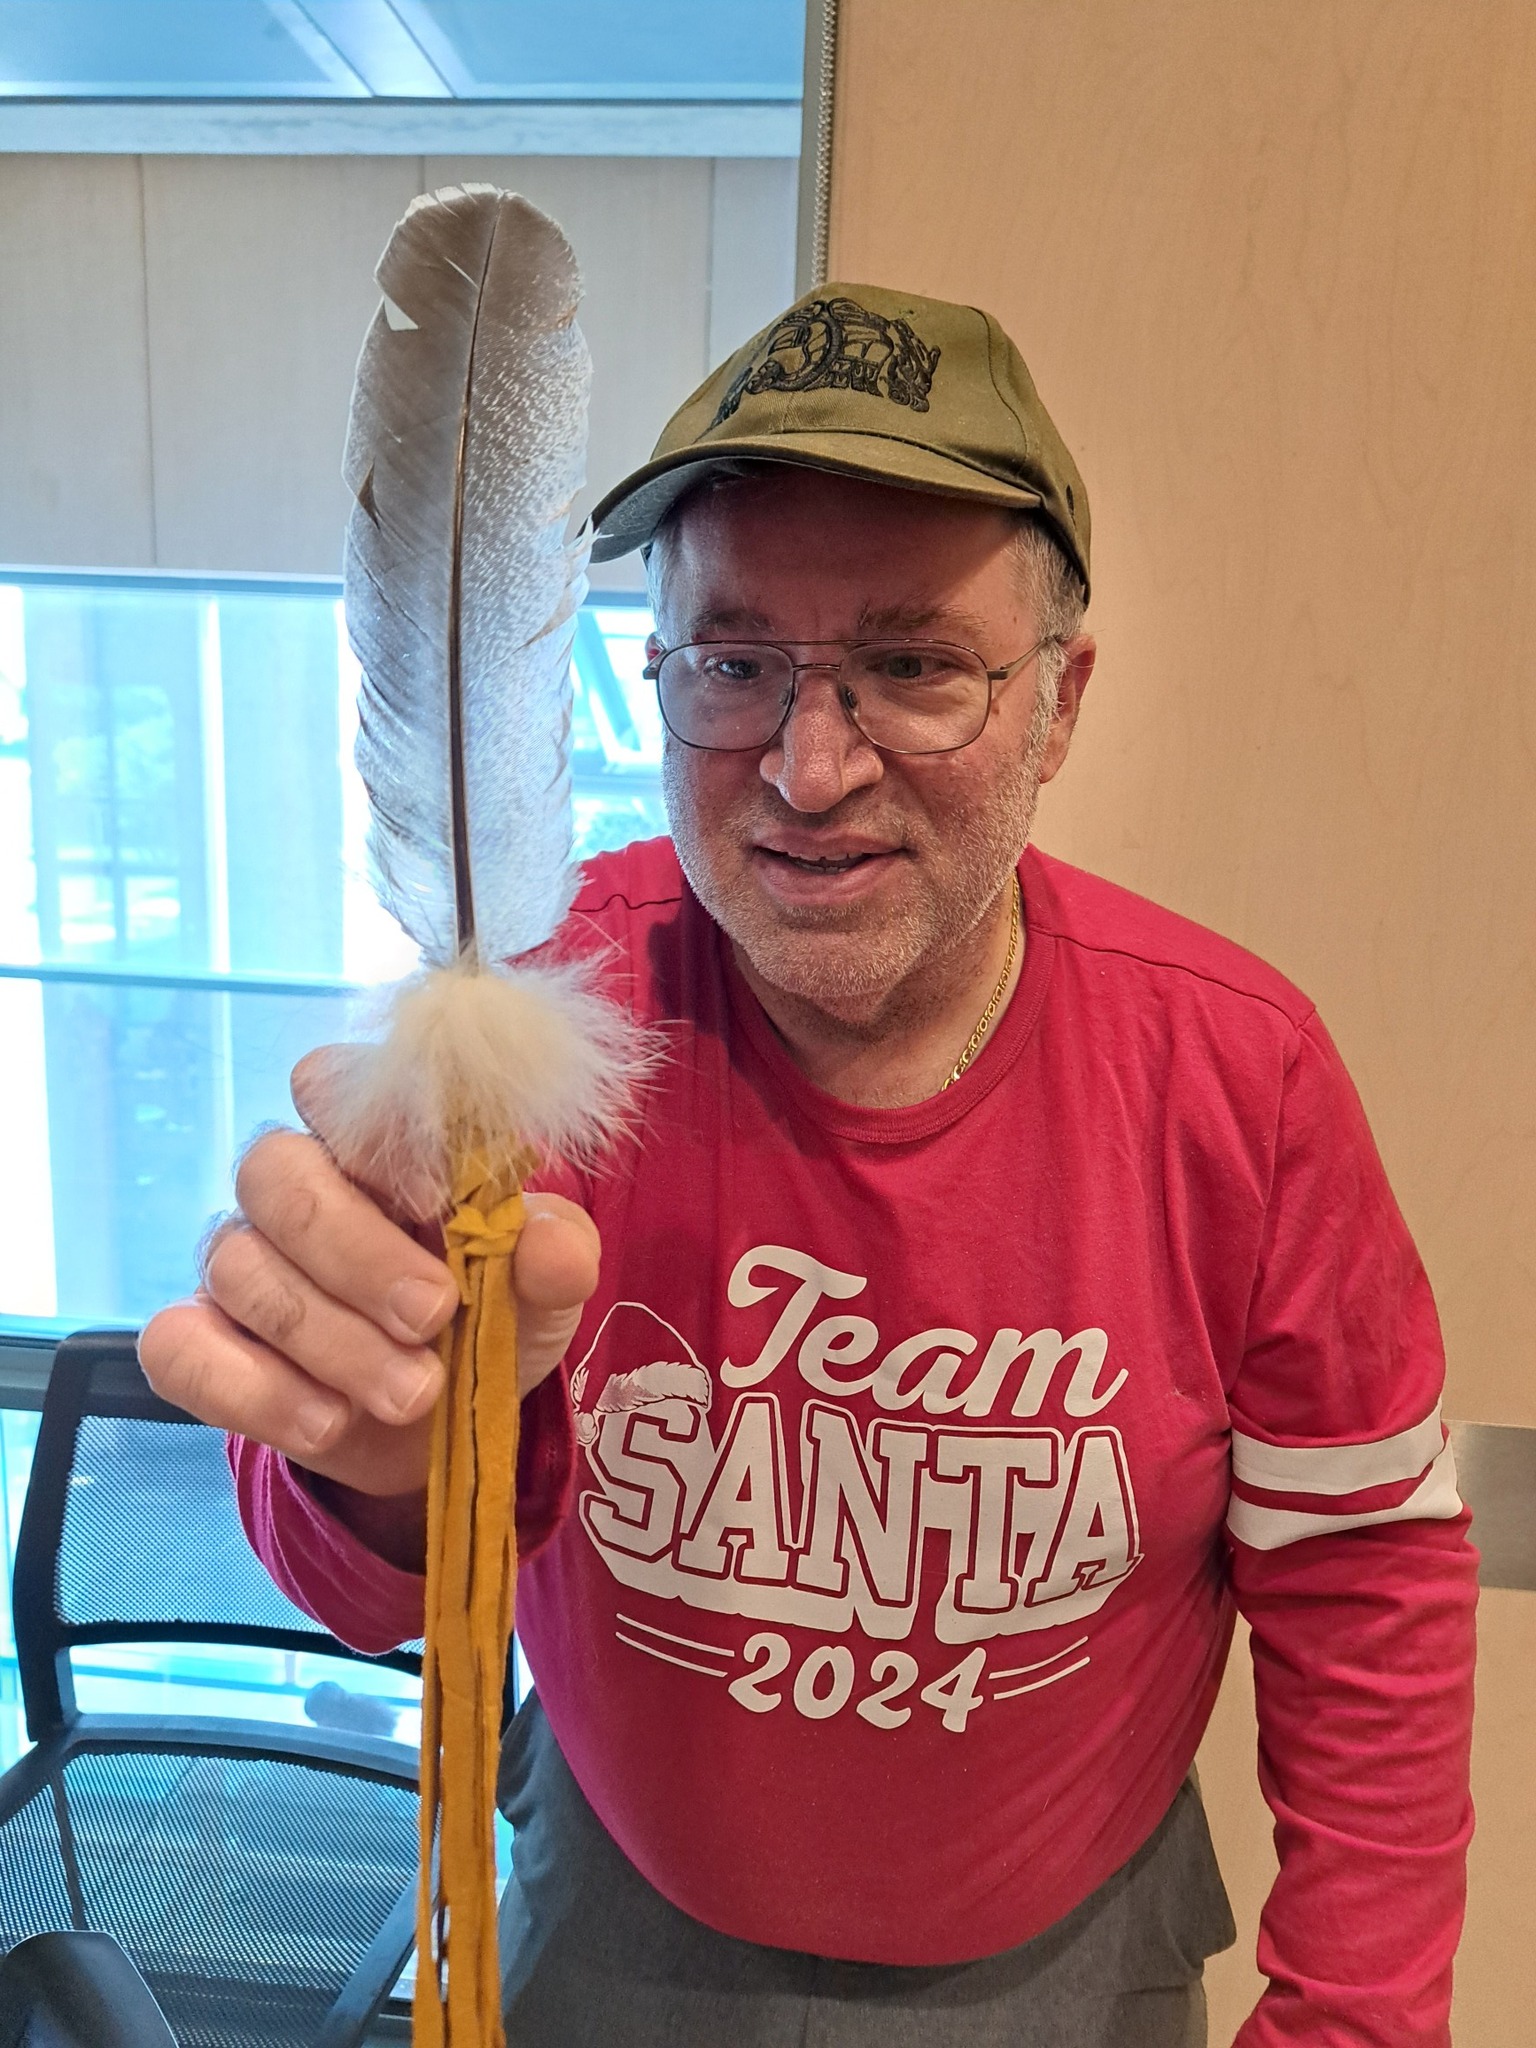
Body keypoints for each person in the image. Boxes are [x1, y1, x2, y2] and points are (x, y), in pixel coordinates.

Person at [139, 284, 1477, 2047]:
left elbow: (1363, 1577)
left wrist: (1361, 2020)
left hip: (1077, 1944)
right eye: (735, 662)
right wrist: (386, 1468)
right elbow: (352, 1571)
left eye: (915, 666)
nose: (809, 765)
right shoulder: (534, 1023)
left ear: (1061, 704)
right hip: (614, 1909)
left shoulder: (1242, 1077)